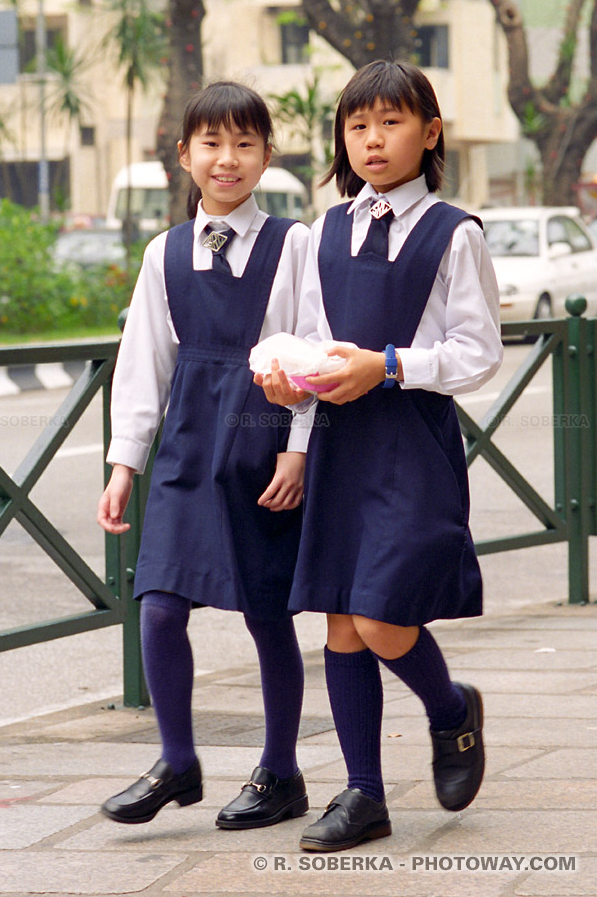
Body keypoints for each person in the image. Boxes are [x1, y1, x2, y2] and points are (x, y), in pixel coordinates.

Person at [255, 59, 503, 852]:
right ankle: (363, 794)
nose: (372, 139)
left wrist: (389, 366)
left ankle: (449, 707)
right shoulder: (320, 231)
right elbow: (296, 331)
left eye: (391, 122)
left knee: (382, 614)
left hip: (412, 442)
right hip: (337, 440)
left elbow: (479, 353)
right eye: (357, 125)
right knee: (341, 622)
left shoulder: (454, 232)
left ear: (429, 133)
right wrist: (283, 380)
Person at [98, 81, 311, 832]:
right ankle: (176, 760)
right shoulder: (165, 254)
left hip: (259, 432)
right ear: (184, 155)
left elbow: (310, 353)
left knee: (265, 610)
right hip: (188, 441)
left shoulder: (294, 245)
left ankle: (281, 771)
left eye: (244, 143)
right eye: (211, 144)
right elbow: (144, 363)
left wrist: (297, 450)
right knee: (158, 605)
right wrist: (125, 463)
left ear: (265, 157)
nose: (227, 159)